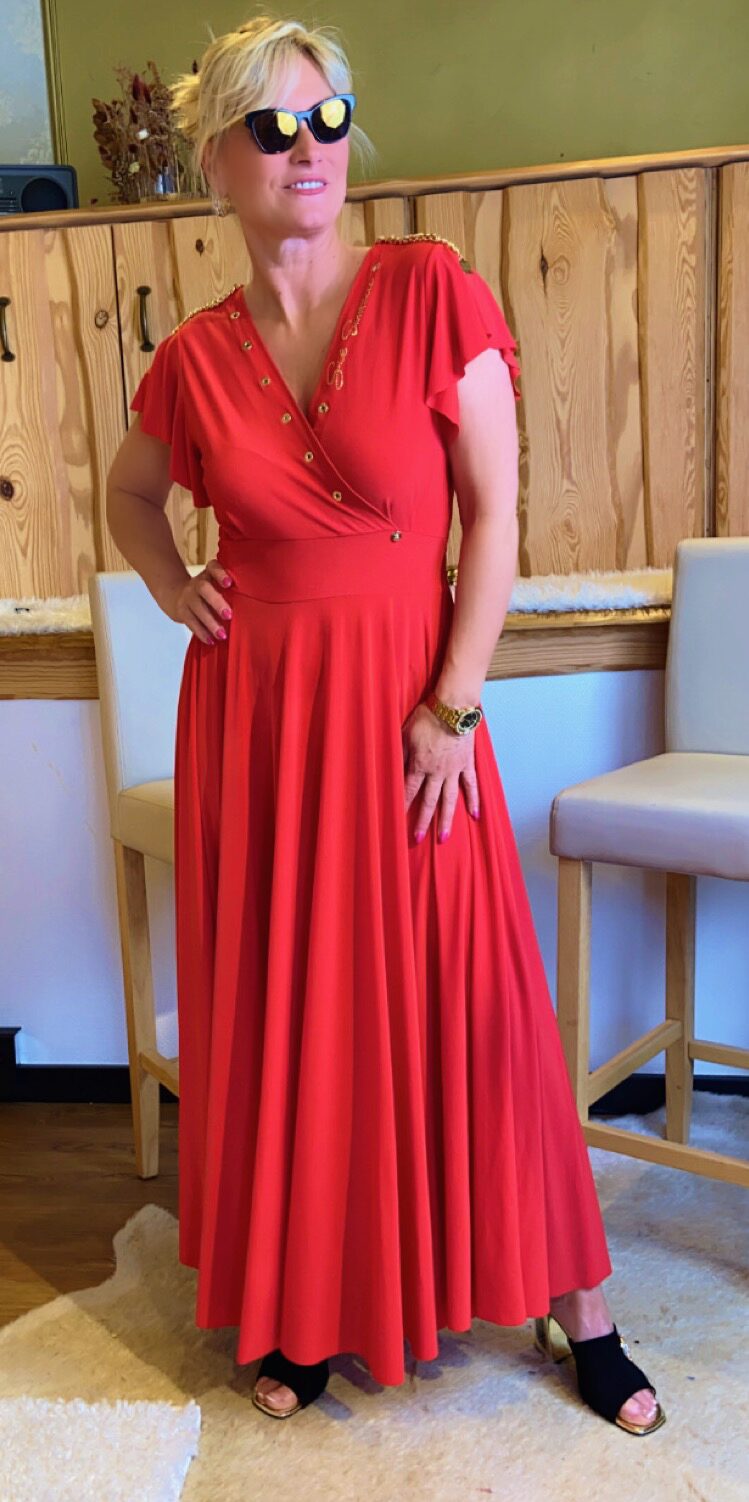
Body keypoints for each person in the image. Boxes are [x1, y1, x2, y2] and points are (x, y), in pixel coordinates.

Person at [106, 14, 665, 1436]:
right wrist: (173, 584)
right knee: (293, 1007)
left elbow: (495, 519)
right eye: (274, 127)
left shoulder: (429, 291)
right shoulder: (194, 355)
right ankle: (306, 1312)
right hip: (259, 720)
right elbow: (129, 494)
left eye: (329, 118)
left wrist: (453, 702)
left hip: (416, 713)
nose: (309, 149)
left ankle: (581, 1306)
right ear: (217, 162)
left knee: (476, 1002)